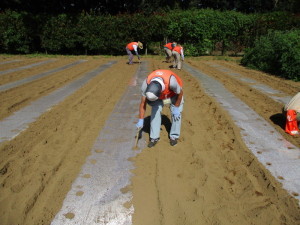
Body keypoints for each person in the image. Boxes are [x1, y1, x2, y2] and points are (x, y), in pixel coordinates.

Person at [136, 69, 184, 147]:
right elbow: (142, 103)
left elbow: (180, 93)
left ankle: (174, 136)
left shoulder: (172, 82)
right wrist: (141, 119)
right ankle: (154, 137)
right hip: (159, 97)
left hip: (174, 94)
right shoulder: (146, 84)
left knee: (177, 114)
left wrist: (176, 108)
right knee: (155, 110)